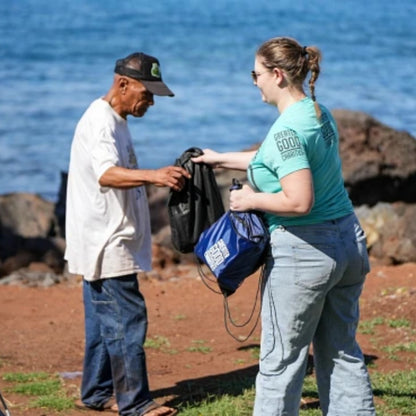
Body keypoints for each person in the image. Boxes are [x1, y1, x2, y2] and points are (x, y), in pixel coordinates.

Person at [192, 37, 376, 416]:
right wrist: (220, 158)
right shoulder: (316, 112)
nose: (254, 82)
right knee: (341, 353)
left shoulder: (285, 132)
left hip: (306, 252)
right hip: (347, 242)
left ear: (276, 75)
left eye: (255, 74)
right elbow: (272, 159)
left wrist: (249, 200)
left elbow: (298, 200)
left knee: (280, 363)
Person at [65, 52, 190, 416]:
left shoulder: (116, 120)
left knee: (105, 324)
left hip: (103, 238)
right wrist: (155, 176)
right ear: (123, 84)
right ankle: (135, 403)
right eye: (146, 92)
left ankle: (97, 392)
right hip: (107, 240)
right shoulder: (101, 122)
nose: (150, 101)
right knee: (127, 319)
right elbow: (107, 174)